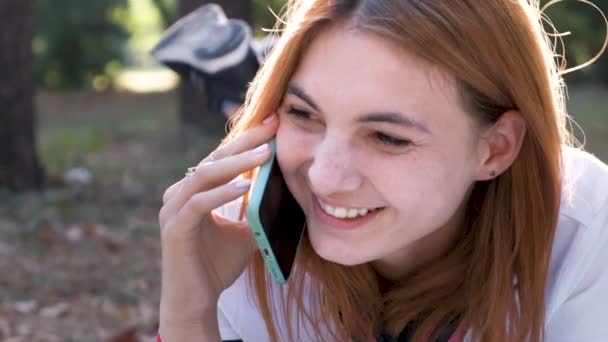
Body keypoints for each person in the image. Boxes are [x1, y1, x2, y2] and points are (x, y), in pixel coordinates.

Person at [157, 0, 608, 341]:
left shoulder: (584, 236)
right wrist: (190, 317)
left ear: (495, 149)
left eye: (388, 137)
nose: (325, 180)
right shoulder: (237, 237)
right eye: (302, 112)